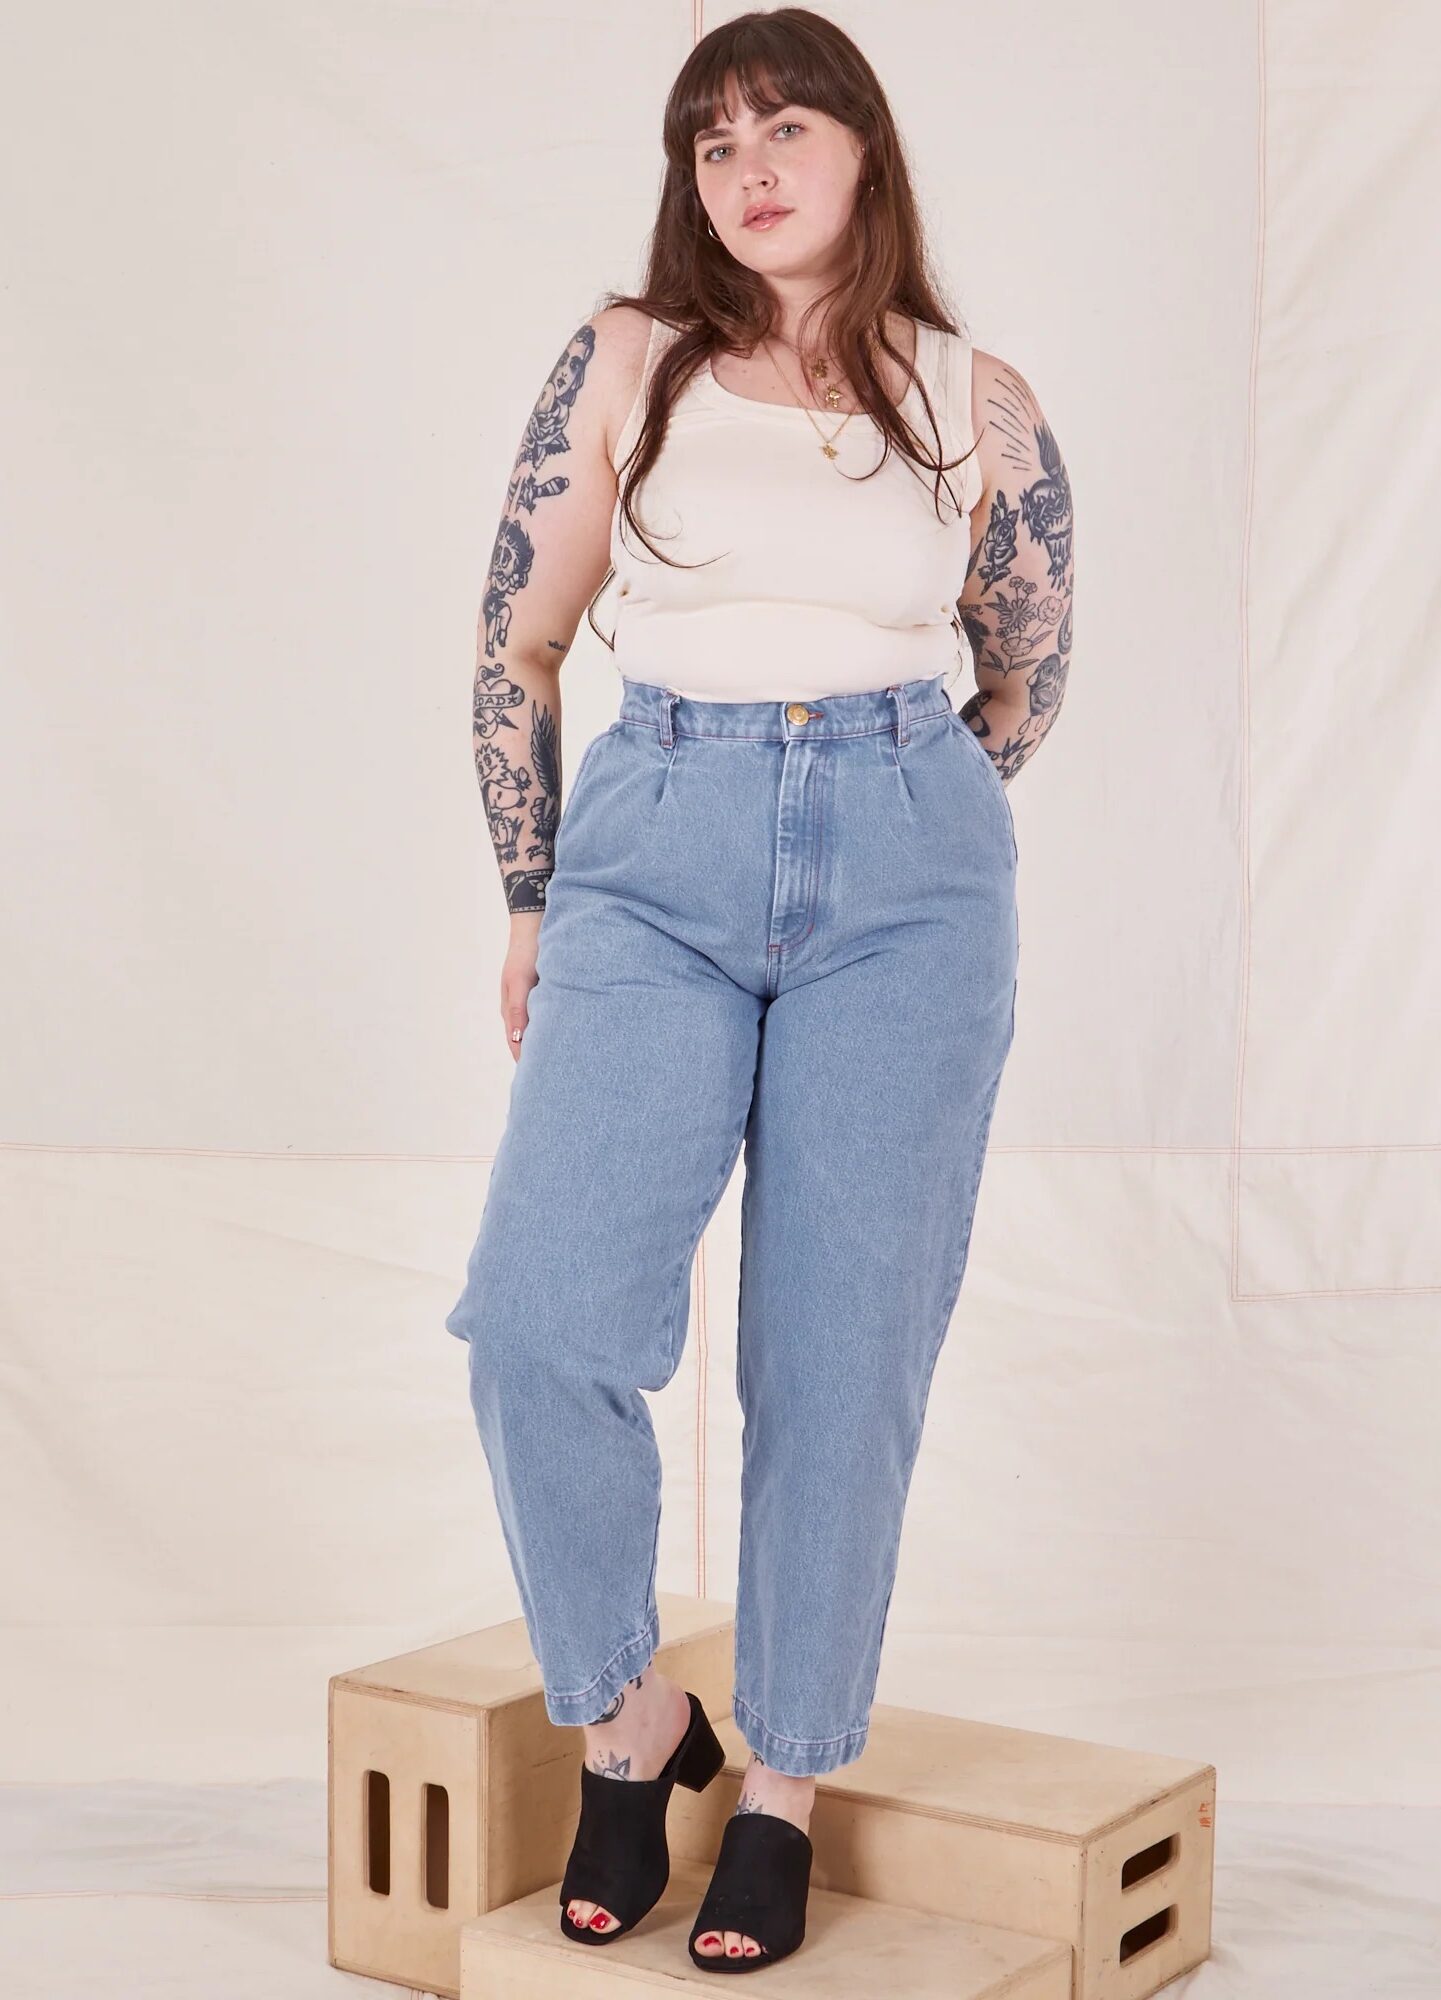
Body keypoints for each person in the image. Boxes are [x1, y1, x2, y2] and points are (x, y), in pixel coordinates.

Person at [444, 5, 1074, 1974]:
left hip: (911, 873)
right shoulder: (625, 363)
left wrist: (913, 804)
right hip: (655, 854)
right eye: (712, 140)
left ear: (865, 153)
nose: (749, 165)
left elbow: (1028, 669)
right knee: (540, 1326)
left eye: (786, 125)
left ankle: (782, 1786)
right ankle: (630, 1723)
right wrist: (537, 896)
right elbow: (513, 645)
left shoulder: (975, 394)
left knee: (836, 1356)